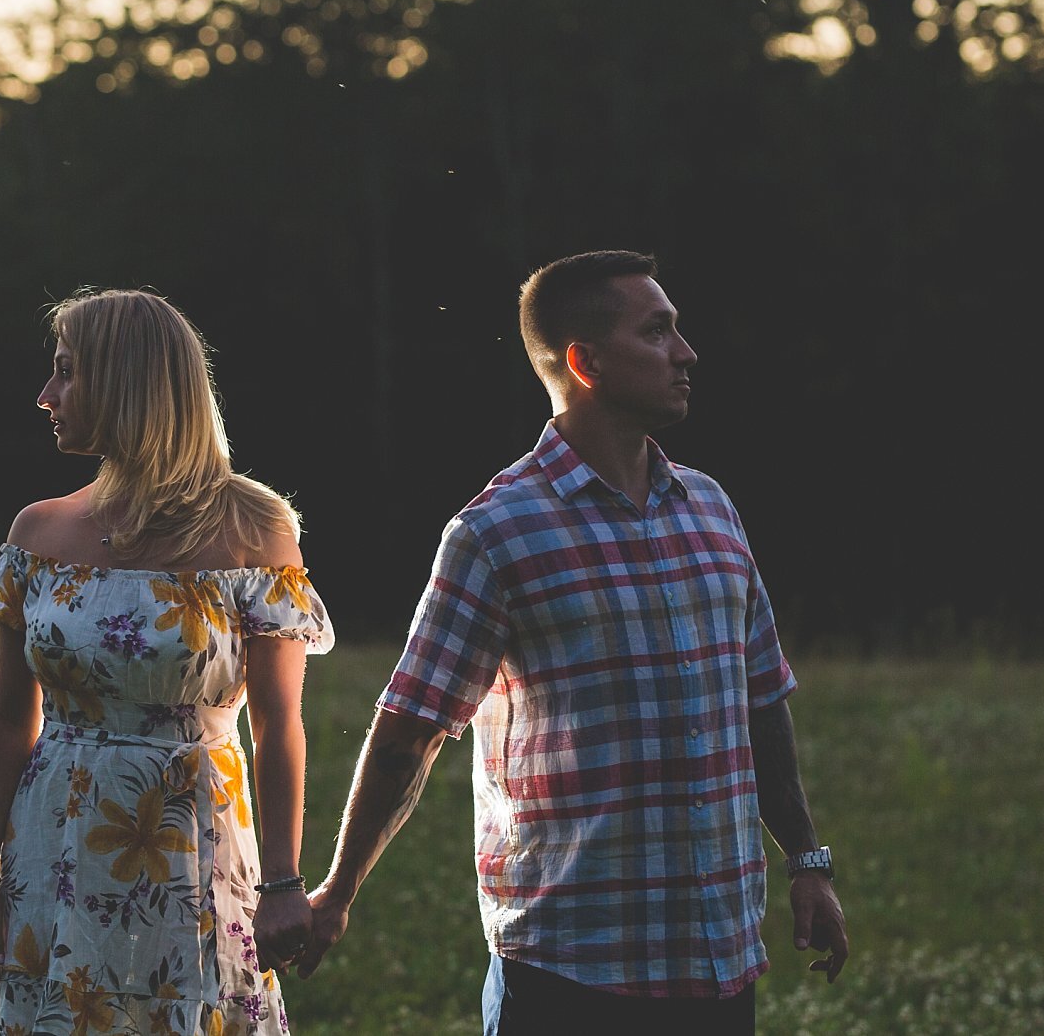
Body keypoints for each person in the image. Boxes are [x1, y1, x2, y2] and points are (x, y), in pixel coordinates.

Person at [297, 250, 848, 1034]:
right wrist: (338, 891)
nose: (685, 353)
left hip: (718, 960)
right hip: (569, 972)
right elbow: (409, 729)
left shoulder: (713, 508)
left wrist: (807, 859)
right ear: (586, 361)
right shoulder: (496, 532)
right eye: (657, 332)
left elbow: (761, 697)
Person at [0, 287, 334, 1036]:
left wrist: (284, 880)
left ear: (125, 384)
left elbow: (279, 721)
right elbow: (7, 710)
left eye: (66, 373)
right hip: (53, 840)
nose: (45, 396)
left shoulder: (255, 529)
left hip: (196, 842)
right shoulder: (39, 530)